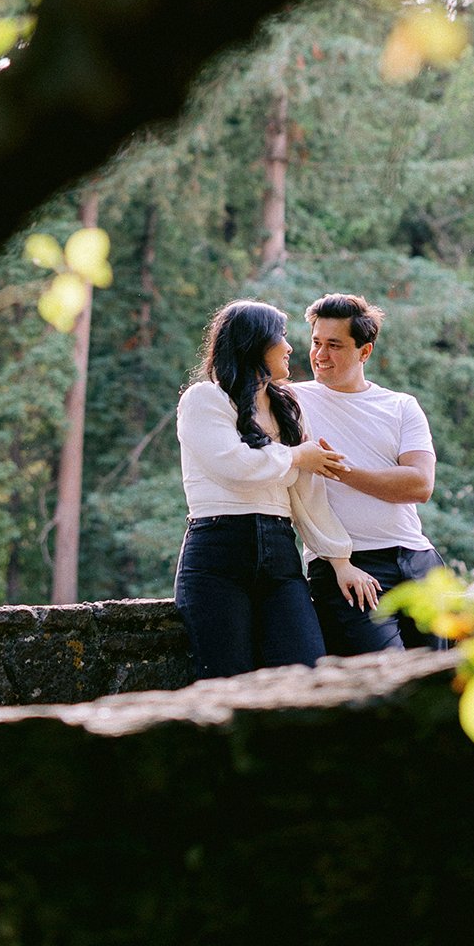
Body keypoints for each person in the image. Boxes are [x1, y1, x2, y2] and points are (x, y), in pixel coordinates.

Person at [174, 299, 381, 679]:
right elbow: (235, 466)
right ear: (253, 343)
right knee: (228, 684)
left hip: (280, 556)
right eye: (280, 337)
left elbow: (307, 494)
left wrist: (340, 561)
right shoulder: (204, 399)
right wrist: (296, 456)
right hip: (217, 555)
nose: (290, 347)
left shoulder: (287, 406)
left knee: (305, 673)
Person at [294, 291, 450, 655]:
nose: (320, 355)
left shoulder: (400, 406)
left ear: (365, 351)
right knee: (385, 683)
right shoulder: (292, 401)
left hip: (418, 558)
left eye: (334, 345)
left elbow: (419, 484)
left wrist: (339, 469)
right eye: (316, 342)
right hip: (348, 566)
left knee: (438, 684)